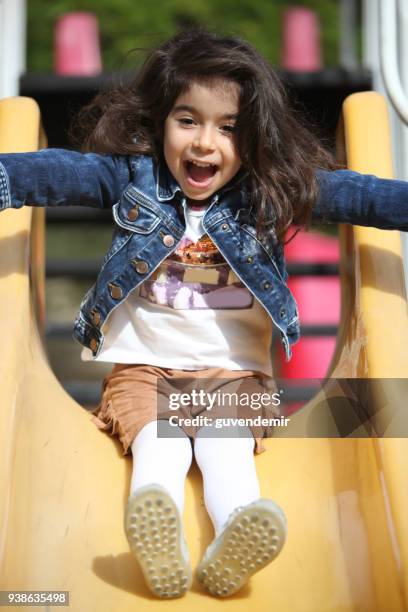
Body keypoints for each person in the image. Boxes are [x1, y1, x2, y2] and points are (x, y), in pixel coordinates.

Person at [1, 26, 408, 600]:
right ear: (160, 120)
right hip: (145, 369)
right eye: (187, 120)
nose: (204, 144)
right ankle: (158, 525)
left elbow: (359, 195)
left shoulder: (271, 188)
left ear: (255, 137)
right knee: (159, 447)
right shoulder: (132, 178)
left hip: (235, 374)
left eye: (228, 128)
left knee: (227, 448)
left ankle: (239, 531)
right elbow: (54, 174)